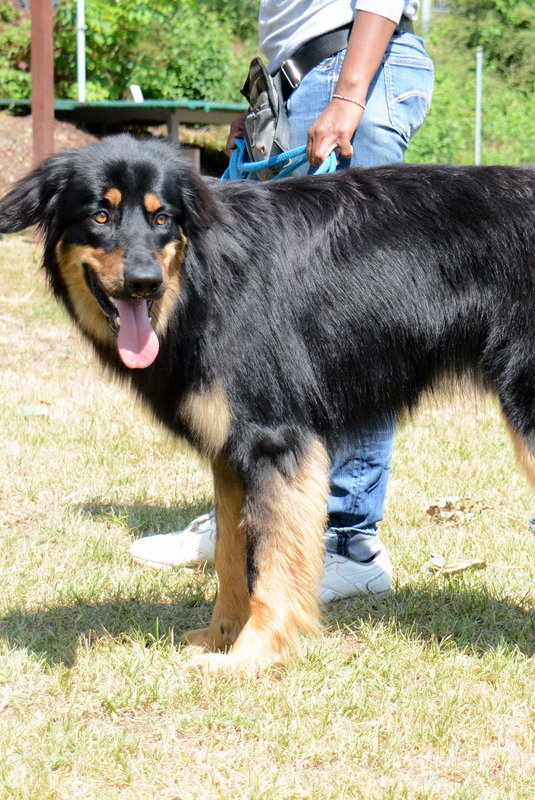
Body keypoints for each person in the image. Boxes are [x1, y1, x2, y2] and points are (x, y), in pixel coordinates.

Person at [130, 0, 434, 604]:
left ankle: (348, 541)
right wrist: (269, 102)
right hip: (299, 80)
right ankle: (249, 523)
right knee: (262, 338)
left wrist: (347, 97)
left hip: (357, 70)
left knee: (353, 331)